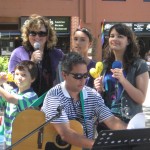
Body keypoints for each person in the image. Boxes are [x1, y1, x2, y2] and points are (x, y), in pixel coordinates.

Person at [41, 52, 127, 149]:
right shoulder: (54, 96)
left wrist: (132, 133)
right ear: (64, 75)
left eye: (85, 75)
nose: (83, 80)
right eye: (78, 76)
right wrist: (96, 145)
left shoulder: (92, 95)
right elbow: (65, 133)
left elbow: (111, 120)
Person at [94, 23, 149, 131]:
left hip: (128, 120)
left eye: (120, 36)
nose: (115, 39)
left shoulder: (139, 65)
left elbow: (141, 98)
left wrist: (123, 80)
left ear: (128, 41)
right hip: (106, 119)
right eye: (112, 36)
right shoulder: (105, 65)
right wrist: (99, 89)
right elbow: (102, 97)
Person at [8, 14, 64, 97]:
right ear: (27, 34)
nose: (37, 37)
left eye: (41, 33)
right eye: (33, 33)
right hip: (26, 102)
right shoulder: (18, 53)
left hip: (50, 102)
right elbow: (12, 80)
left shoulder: (57, 54)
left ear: (48, 36)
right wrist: (31, 63)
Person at [0, 60, 38, 146]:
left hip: (23, 141)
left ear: (32, 79)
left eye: (23, 75)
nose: (19, 77)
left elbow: (10, 99)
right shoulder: (11, 92)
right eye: (17, 74)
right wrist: (2, 83)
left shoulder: (32, 96)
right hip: (8, 140)